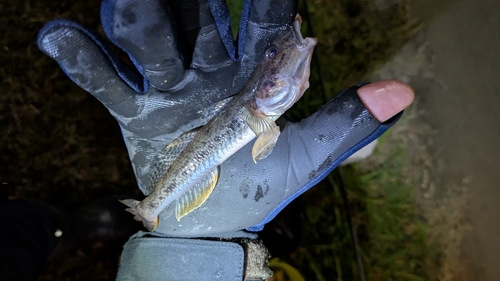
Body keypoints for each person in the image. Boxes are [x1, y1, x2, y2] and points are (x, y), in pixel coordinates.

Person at [36, 0, 414, 280]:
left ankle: (120, 216)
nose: (280, 61)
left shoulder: (262, 102)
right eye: (272, 57)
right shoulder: (261, 105)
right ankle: (140, 211)